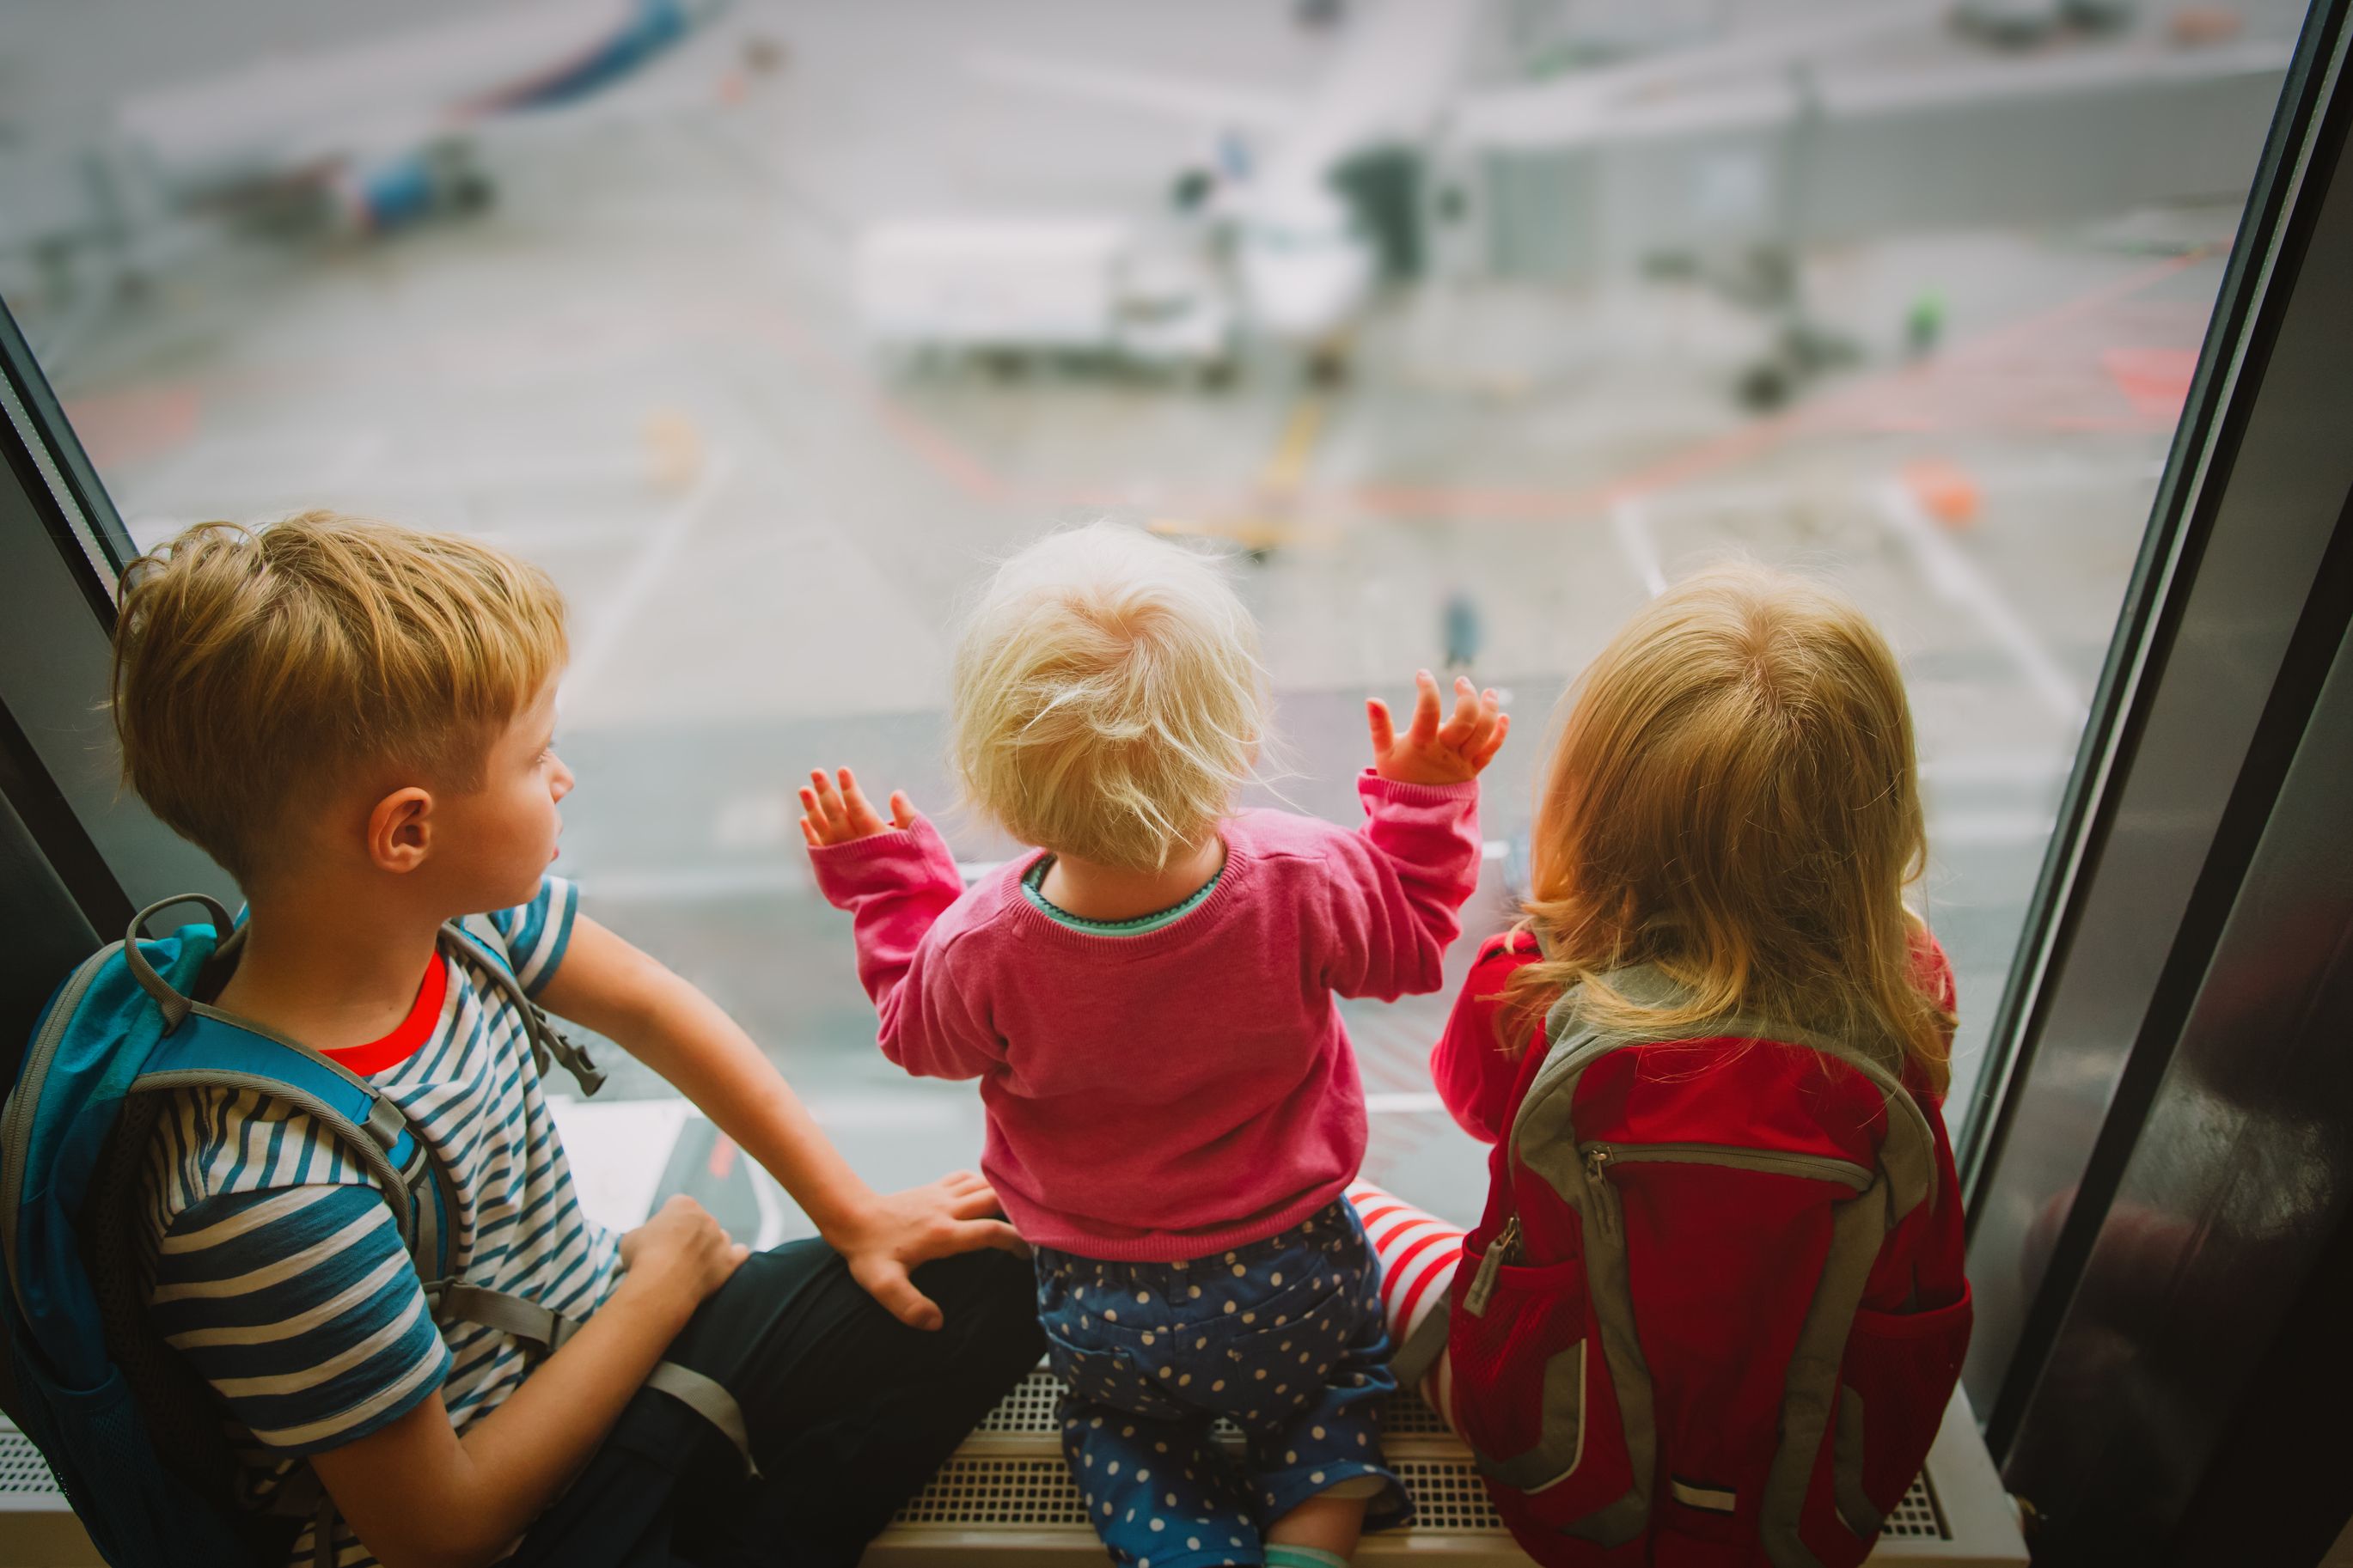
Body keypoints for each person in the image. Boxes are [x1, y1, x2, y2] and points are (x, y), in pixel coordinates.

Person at [112, 513, 1042, 1568]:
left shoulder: (451, 924)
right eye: (534, 755)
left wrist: (856, 1214)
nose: (561, 779)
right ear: (405, 832)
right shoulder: (267, 1195)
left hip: (607, 1359)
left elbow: (653, 1004)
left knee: (1019, 1245)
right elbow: (441, 1532)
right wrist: (661, 1285)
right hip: (532, 1518)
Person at [798, 522, 1507, 1568]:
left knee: (1129, 1436)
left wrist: (889, 883)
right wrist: (1421, 800)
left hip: (1102, 1303)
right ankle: (1312, 1534)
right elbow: (1406, 943)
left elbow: (917, 1035)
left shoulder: (981, 940)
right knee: (1329, 1392)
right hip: (1295, 1277)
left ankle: (1186, 1546)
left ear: (995, 776)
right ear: (1233, 738)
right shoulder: (1302, 877)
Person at [1354, 564, 1971, 1563]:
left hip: (1564, 1483)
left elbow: (1468, 1103)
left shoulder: (1535, 991)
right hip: (1810, 1503)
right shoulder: (1909, 984)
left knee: (1344, 1207)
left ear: (1591, 812)